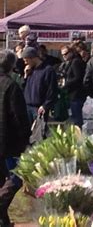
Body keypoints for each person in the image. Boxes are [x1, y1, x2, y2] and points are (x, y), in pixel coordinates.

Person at [0, 50, 31, 226]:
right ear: (12, 66)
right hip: (7, 143)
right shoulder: (11, 86)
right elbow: (19, 117)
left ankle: (3, 220)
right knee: (16, 178)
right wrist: (24, 140)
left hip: (5, 141)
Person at [22, 46, 59, 126]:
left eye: (26, 60)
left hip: (39, 107)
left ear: (33, 58)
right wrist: (25, 76)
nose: (25, 63)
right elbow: (24, 88)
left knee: (38, 134)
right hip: (27, 106)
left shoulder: (48, 70)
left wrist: (45, 105)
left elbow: (52, 90)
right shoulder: (30, 70)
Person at [60, 45, 87, 128]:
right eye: (62, 55)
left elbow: (78, 77)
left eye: (66, 54)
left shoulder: (76, 62)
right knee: (75, 116)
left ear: (71, 52)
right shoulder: (71, 62)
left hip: (76, 93)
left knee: (77, 118)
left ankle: (79, 134)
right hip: (73, 93)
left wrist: (66, 84)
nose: (64, 56)